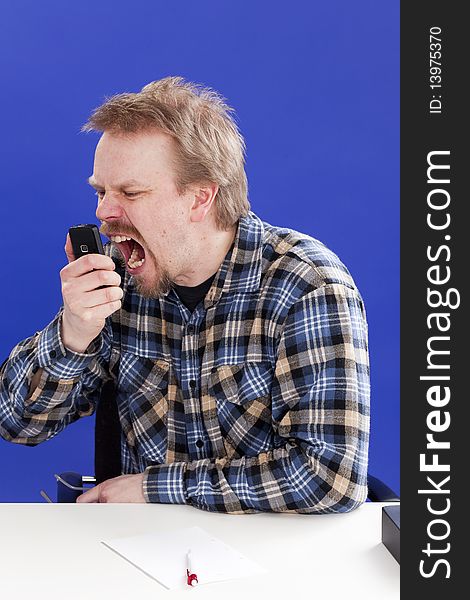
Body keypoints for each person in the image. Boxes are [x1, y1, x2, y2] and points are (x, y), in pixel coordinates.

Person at [0, 76, 370, 512]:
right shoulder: (117, 276)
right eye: (100, 191)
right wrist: (74, 332)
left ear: (200, 198)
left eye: (130, 192)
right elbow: (18, 423)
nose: (103, 213)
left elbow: (330, 478)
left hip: (271, 556)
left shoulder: (304, 285)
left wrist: (152, 488)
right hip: (138, 551)